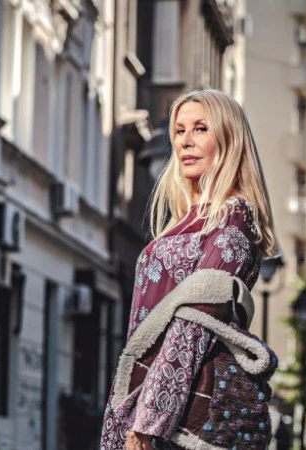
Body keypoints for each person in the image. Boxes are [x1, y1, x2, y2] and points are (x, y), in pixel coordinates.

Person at [99, 89, 280, 450]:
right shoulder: (189, 220)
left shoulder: (233, 216)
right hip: (145, 393)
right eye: (179, 131)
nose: (185, 141)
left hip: (179, 416)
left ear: (228, 139)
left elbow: (195, 322)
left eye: (200, 129)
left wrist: (148, 424)